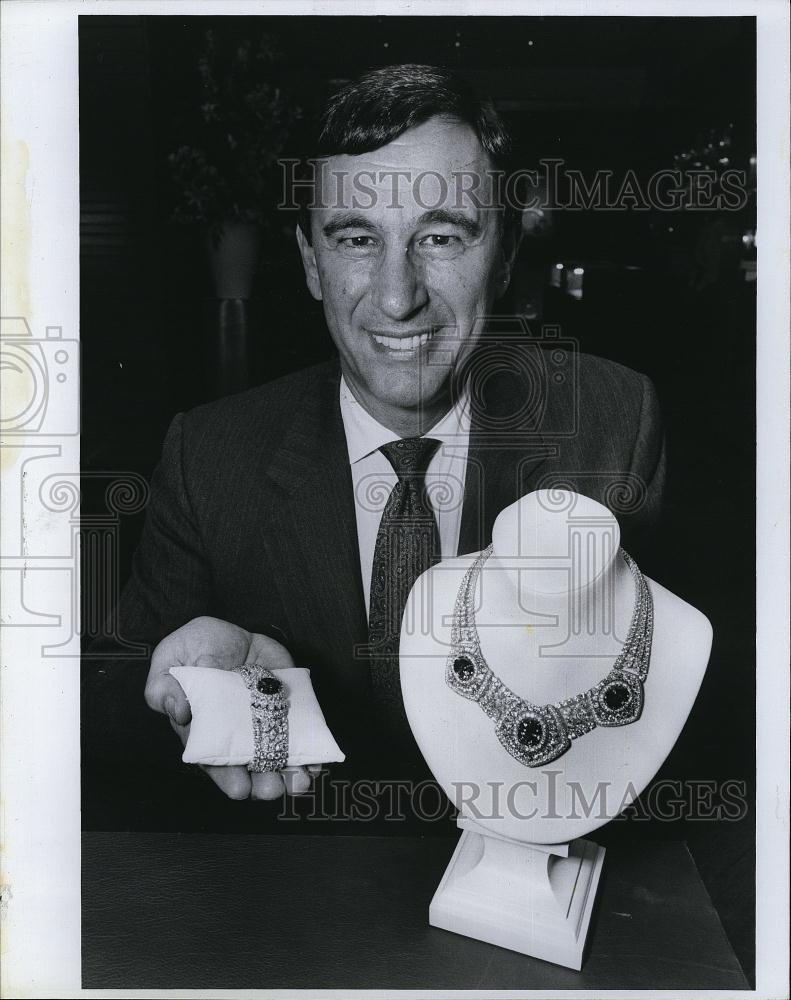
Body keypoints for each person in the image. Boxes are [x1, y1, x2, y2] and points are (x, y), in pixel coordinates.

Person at [87, 64, 666, 812]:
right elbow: (104, 711)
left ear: (504, 258)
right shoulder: (209, 454)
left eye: (441, 237)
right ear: (310, 263)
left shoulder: (613, 423)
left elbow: (671, 709)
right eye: (357, 238)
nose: (397, 298)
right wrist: (195, 695)